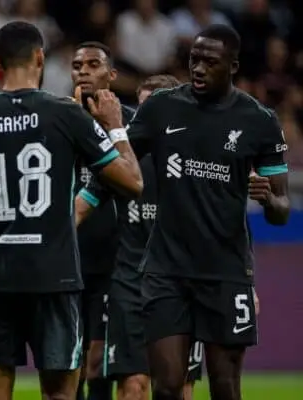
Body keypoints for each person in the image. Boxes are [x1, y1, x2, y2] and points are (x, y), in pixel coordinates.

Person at [0, 20, 144, 400]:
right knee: (61, 392)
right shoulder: (67, 115)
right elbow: (132, 182)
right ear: (40, 57)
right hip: (54, 272)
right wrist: (116, 127)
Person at [96, 25, 290, 400]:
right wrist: (112, 130)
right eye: (193, 60)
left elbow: (281, 211)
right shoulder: (162, 107)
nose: (199, 68)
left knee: (224, 385)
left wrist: (269, 198)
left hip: (226, 271)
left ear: (233, 66)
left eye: (210, 62)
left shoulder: (259, 120)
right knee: (167, 387)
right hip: (166, 270)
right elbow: (120, 164)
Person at [75, 74, 204, 400]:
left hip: (184, 285)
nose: (143, 119)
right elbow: (81, 207)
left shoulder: (199, 162)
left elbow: (227, 224)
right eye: (141, 109)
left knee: (178, 386)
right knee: (133, 384)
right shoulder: (121, 167)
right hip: (131, 286)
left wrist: (249, 280)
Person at [70, 41, 135, 400]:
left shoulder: (130, 123)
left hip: (114, 261)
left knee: (99, 359)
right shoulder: (59, 119)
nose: (83, 70)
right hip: (68, 257)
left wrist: (115, 128)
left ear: (111, 75)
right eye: (77, 65)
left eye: (93, 64)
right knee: (69, 360)